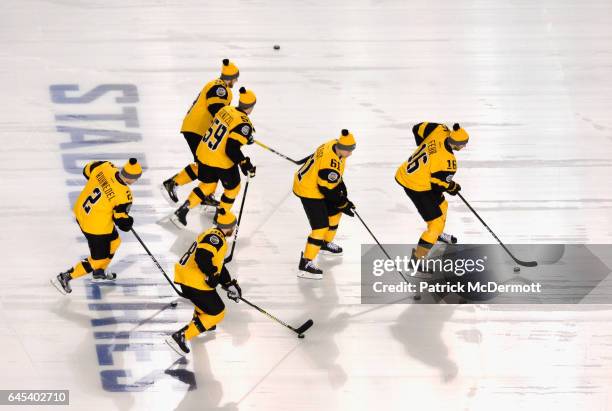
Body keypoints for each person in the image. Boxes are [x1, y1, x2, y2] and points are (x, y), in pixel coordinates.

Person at [51, 158, 142, 294]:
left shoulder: (106, 167)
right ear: (132, 178)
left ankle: (99, 273)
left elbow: (86, 170)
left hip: (82, 212)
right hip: (96, 227)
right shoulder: (125, 195)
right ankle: (65, 277)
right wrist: (128, 221)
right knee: (98, 259)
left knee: (115, 242)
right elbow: (121, 222)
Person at [171, 87, 257, 228]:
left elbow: (225, 130)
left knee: (209, 184)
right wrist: (244, 163)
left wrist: (245, 137)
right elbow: (231, 148)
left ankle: (182, 210)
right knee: (233, 188)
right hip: (220, 159)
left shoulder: (225, 109)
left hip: (204, 152)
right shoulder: (244, 124)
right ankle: (220, 217)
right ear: (251, 107)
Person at [161, 59, 239, 206]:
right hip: (197, 129)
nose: (236, 81)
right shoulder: (220, 88)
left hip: (197, 129)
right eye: (235, 78)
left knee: (207, 164)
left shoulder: (218, 86)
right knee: (206, 164)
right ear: (230, 77)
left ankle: (204, 194)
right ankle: (173, 183)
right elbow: (216, 109)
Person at [395, 122, 469, 277]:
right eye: (463, 144)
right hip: (417, 185)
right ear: (456, 143)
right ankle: (417, 259)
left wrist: (424, 148)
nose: (463, 147)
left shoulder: (440, 129)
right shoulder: (449, 162)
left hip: (410, 172)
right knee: (434, 224)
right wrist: (452, 187)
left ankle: (438, 234)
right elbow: (438, 184)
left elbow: (417, 128)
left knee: (443, 204)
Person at [166, 209, 243, 355]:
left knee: (209, 303)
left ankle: (200, 322)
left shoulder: (213, 234)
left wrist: (228, 283)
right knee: (218, 313)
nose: (233, 229)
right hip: (193, 281)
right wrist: (212, 274)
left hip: (189, 278)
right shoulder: (216, 238)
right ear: (228, 226)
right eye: (233, 227)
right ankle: (181, 336)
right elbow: (202, 257)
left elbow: (218, 263)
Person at [292, 129, 356, 279]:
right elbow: (326, 189)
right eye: (350, 150)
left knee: (335, 212)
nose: (351, 154)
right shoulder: (330, 164)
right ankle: (306, 264)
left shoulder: (334, 144)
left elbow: (336, 179)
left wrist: (343, 198)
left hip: (316, 182)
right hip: (308, 190)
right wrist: (343, 203)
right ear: (343, 148)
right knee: (320, 227)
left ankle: (324, 243)